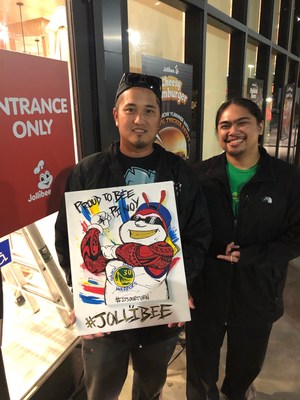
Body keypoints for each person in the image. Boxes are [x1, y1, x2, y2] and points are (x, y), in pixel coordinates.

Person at [55, 72, 211, 400]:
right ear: (116, 115)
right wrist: (81, 294)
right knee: (100, 392)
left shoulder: (181, 172)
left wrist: (181, 282)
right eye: (130, 109)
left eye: (150, 111)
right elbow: (67, 238)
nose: (139, 119)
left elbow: (198, 234)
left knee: (150, 390)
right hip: (106, 318)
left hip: (160, 317)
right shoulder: (87, 171)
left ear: (159, 118)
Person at [186, 97, 300, 400]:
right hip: (206, 292)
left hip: (259, 293)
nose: (232, 130)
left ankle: (235, 393)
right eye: (225, 125)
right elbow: (183, 233)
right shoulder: (199, 176)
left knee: (245, 366)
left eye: (242, 122)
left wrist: (254, 256)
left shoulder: (286, 179)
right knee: (200, 371)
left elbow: (296, 236)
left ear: (260, 126)